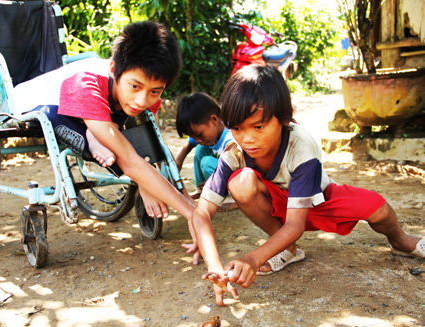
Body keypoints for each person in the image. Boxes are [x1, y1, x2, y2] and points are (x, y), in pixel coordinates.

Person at [191, 64, 425, 306]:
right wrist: (215, 266)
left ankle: (401, 240)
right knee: (240, 183)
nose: (247, 138)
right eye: (237, 128)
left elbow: (296, 223)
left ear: (283, 119)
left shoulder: (301, 145)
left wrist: (253, 259)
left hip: (317, 199)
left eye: (258, 126)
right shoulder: (235, 152)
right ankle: (288, 249)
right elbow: (201, 214)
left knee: (379, 208)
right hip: (278, 203)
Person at [55, 21, 200, 263]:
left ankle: (99, 132)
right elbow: (131, 161)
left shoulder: (147, 97)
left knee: (131, 132)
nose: (142, 99)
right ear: (114, 68)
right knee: (119, 147)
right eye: (135, 86)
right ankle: (95, 134)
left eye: (155, 91)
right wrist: (191, 212)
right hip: (54, 108)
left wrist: (165, 189)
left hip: (105, 115)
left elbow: (149, 145)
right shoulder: (85, 85)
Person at [175, 92, 238, 212]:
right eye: (193, 136)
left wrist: (213, 180)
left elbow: (239, 168)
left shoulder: (230, 140)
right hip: (224, 172)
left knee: (207, 162)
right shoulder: (210, 134)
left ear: (213, 120)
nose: (198, 139)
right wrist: (179, 160)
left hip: (236, 176)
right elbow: (191, 141)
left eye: (199, 134)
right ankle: (201, 190)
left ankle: (232, 199)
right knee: (200, 149)